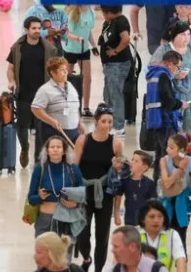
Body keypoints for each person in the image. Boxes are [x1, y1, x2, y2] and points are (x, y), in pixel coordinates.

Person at [74, 104, 124, 272]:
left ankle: (98, 269)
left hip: (105, 194)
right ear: (96, 121)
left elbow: (120, 171)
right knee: (82, 234)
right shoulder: (83, 140)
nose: (107, 125)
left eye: (110, 122)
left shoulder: (116, 144)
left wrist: (118, 167)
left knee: (102, 236)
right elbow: (75, 167)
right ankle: (86, 258)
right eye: (104, 121)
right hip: (85, 192)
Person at [7, 16, 59, 166]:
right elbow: (10, 69)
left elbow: (56, 69)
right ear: (26, 30)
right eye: (34, 28)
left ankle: (38, 159)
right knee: (22, 127)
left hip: (42, 97)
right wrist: (11, 81)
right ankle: (24, 147)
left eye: (39, 28)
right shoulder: (18, 48)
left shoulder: (48, 49)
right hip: (23, 94)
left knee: (40, 128)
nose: (37, 31)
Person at [151, 21, 191, 135]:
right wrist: (174, 75)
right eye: (182, 35)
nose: (186, 38)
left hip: (190, 97)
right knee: (174, 134)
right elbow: (152, 71)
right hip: (171, 97)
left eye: (188, 34)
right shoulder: (164, 50)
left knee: (189, 134)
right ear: (174, 36)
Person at [28, 136, 84, 238]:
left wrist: (75, 204)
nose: (55, 149)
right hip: (45, 220)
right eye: (52, 147)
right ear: (47, 151)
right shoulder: (39, 169)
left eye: (58, 147)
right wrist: (40, 197)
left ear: (64, 151)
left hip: (67, 219)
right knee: (44, 253)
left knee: (64, 253)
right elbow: (31, 199)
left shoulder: (73, 169)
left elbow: (83, 194)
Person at [144, 50, 187, 179]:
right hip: (165, 121)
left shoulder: (153, 75)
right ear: (169, 64)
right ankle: (164, 184)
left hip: (155, 121)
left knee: (160, 155)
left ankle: (158, 184)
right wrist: (180, 104)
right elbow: (168, 100)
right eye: (177, 67)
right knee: (168, 155)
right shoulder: (163, 76)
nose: (177, 70)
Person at [32, 57, 85, 145]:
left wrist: (80, 123)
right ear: (53, 73)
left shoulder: (71, 86)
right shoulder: (45, 90)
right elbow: (35, 108)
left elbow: (75, 108)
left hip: (74, 131)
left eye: (65, 69)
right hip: (55, 132)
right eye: (62, 70)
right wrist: (51, 121)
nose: (65, 72)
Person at [98, 6, 132, 137]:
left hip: (117, 64)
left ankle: (118, 127)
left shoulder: (121, 21)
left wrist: (115, 51)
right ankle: (109, 122)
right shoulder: (111, 22)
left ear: (111, 12)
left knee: (115, 95)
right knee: (108, 95)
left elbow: (126, 39)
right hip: (110, 65)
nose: (103, 15)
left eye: (104, 12)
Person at [63, 5, 97, 115]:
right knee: (67, 80)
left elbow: (88, 32)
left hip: (84, 49)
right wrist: (77, 38)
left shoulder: (91, 12)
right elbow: (67, 34)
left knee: (87, 79)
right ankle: (66, 106)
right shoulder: (73, 12)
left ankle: (86, 108)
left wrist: (94, 46)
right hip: (71, 50)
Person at [137, 201, 186, 272]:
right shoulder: (134, 233)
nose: (156, 220)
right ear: (142, 219)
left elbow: (181, 260)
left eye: (160, 216)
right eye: (151, 217)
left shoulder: (172, 235)